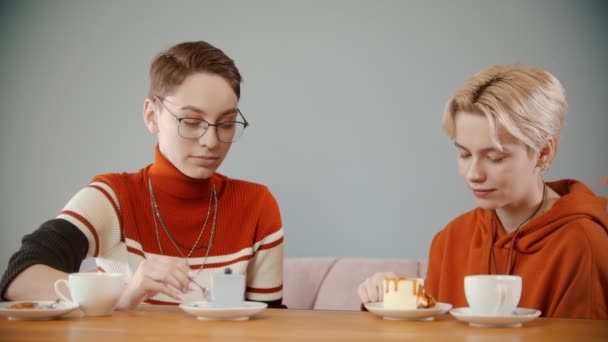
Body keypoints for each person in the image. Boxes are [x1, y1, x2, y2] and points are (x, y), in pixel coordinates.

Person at [0, 41, 286, 309]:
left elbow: (268, 321)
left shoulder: (257, 205)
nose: (211, 140)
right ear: (151, 115)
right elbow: (19, 277)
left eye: (226, 123)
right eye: (191, 121)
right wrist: (123, 292)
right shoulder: (113, 198)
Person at [358, 64, 608, 319]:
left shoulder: (583, 244)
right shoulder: (451, 238)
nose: (473, 174)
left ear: (543, 152)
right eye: (464, 154)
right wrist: (386, 299)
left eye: (495, 157)